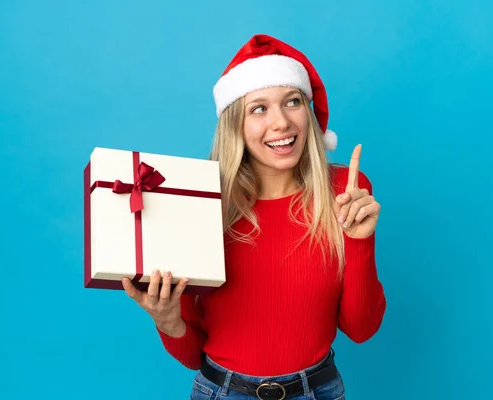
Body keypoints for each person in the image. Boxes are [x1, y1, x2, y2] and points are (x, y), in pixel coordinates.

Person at [121, 34, 387, 399]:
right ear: (236, 125)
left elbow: (361, 328)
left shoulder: (345, 190)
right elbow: (191, 355)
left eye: (292, 102)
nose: (281, 123)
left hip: (318, 391)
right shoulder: (200, 200)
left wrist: (359, 240)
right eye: (259, 108)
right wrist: (167, 321)